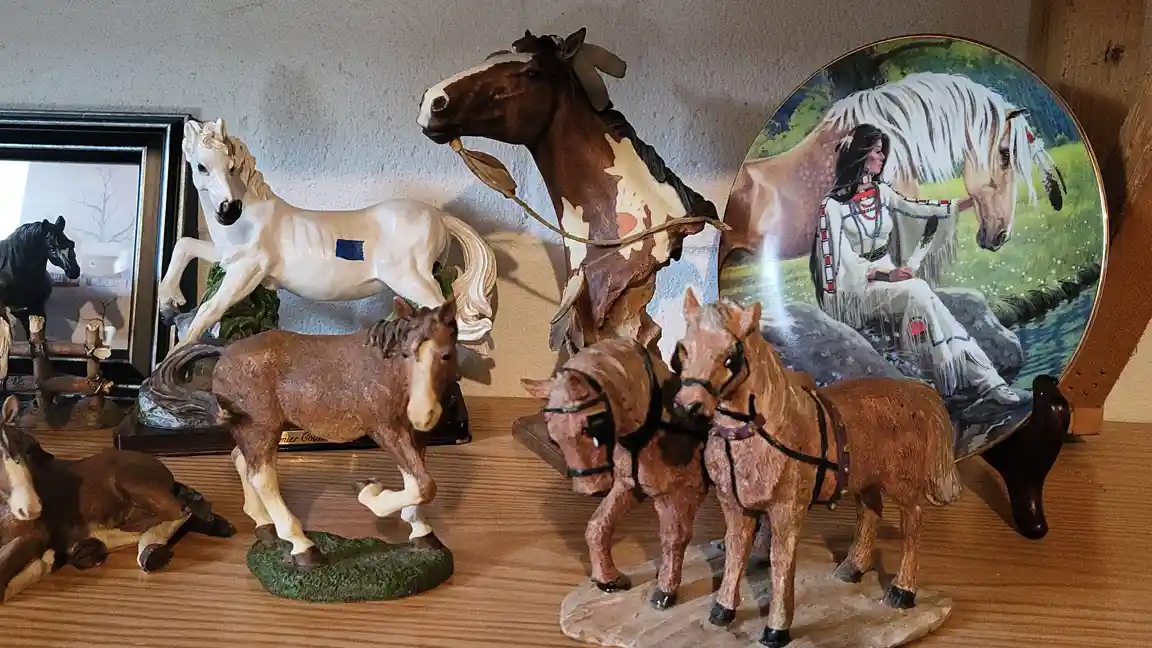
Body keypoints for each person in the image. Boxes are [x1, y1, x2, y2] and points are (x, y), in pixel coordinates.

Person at [809, 123, 1019, 406]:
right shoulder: (832, 206)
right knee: (918, 290)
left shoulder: (881, 192)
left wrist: (970, 202)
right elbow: (840, 262)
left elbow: (919, 209)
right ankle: (976, 378)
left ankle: (984, 379)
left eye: (882, 152)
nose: (882, 157)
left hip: (890, 281)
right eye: (877, 151)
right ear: (861, 155)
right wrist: (887, 274)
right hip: (855, 290)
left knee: (921, 296)